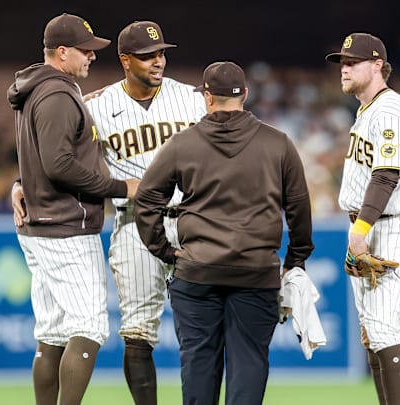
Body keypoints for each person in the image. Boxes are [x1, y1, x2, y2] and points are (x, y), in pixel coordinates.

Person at [12, 20, 206, 405]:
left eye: (162, 53)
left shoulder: (193, 99)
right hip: (135, 222)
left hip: (192, 221)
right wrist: (22, 180)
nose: (158, 61)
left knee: (201, 330)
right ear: (125, 60)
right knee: (135, 332)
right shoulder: (93, 104)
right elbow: (56, 147)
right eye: (148, 55)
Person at [133, 61, 314, 405]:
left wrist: (164, 250)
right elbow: (299, 209)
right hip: (255, 272)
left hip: (197, 271)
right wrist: (296, 259)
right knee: (249, 365)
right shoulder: (278, 144)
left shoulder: (182, 144)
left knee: (199, 364)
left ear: (206, 97)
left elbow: (146, 198)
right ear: (245, 95)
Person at [6, 13, 138, 405]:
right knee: (89, 327)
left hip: (40, 223)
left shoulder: (35, 89)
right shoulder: (58, 94)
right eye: (85, 50)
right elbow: (58, 164)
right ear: (61, 52)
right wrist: (120, 188)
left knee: (52, 332)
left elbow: (41, 157)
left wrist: (20, 182)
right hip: (66, 225)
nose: (92, 56)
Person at [325, 33, 400, 405]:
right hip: (366, 225)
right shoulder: (368, 110)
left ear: (378, 65)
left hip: (385, 227)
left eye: (352, 62)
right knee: (371, 333)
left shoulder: (391, 109)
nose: (344, 69)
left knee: (382, 332)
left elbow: (387, 174)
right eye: (342, 63)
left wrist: (360, 231)